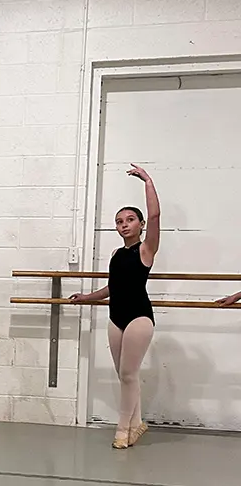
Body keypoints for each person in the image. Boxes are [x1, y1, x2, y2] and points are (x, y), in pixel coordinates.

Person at [70, 168, 161, 448]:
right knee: (125, 376)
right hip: (116, 317)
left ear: (141, 224)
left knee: (129, 374)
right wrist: (88, 297)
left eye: (130, 220)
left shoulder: (146, 250)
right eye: (119, 221)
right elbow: (113, 288)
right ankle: (137, 424)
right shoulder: (116, 254)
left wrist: (148, 181)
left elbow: (156, 216)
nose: (124, 225)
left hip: (139, 318)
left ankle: (123, 430)